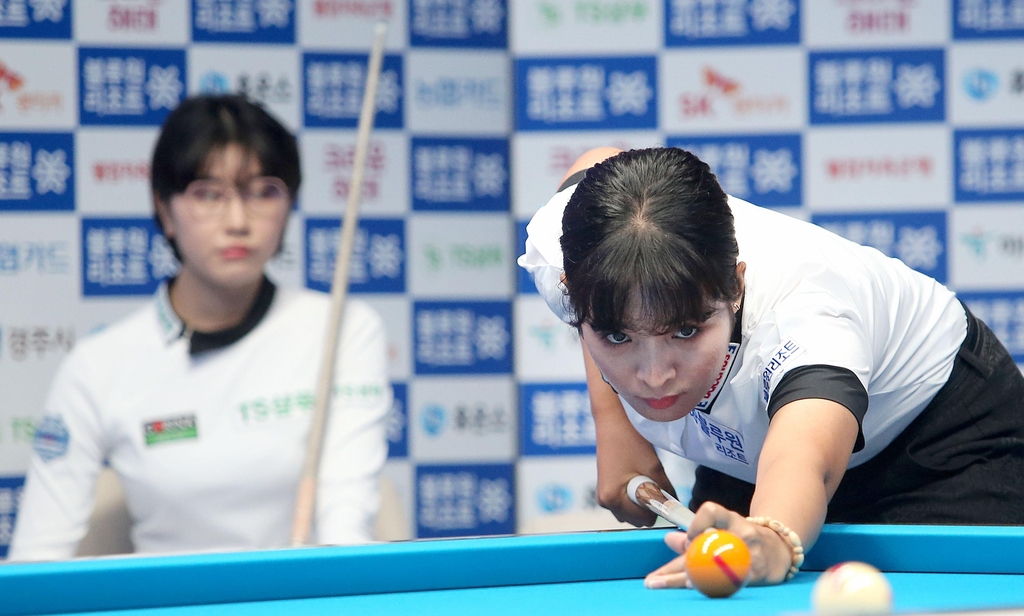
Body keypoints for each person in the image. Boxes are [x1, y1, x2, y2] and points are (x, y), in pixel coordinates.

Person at [519, 146, 1024, 588]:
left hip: (937, 449)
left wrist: (772, 538)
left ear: (735, 288)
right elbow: (595, 161)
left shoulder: (807, 314)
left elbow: (802, 461)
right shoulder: (566, 245)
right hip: (755, 453)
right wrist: (614, 427)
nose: (653, 376)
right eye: (617, 335)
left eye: (686, 331)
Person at [10, 95, 391, 560]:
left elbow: (345, 526)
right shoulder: (99, 365)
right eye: (209, 194)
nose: (237, 221)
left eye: (263, 192)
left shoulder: (341, 329)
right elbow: (37, 558)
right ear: (165, 211)